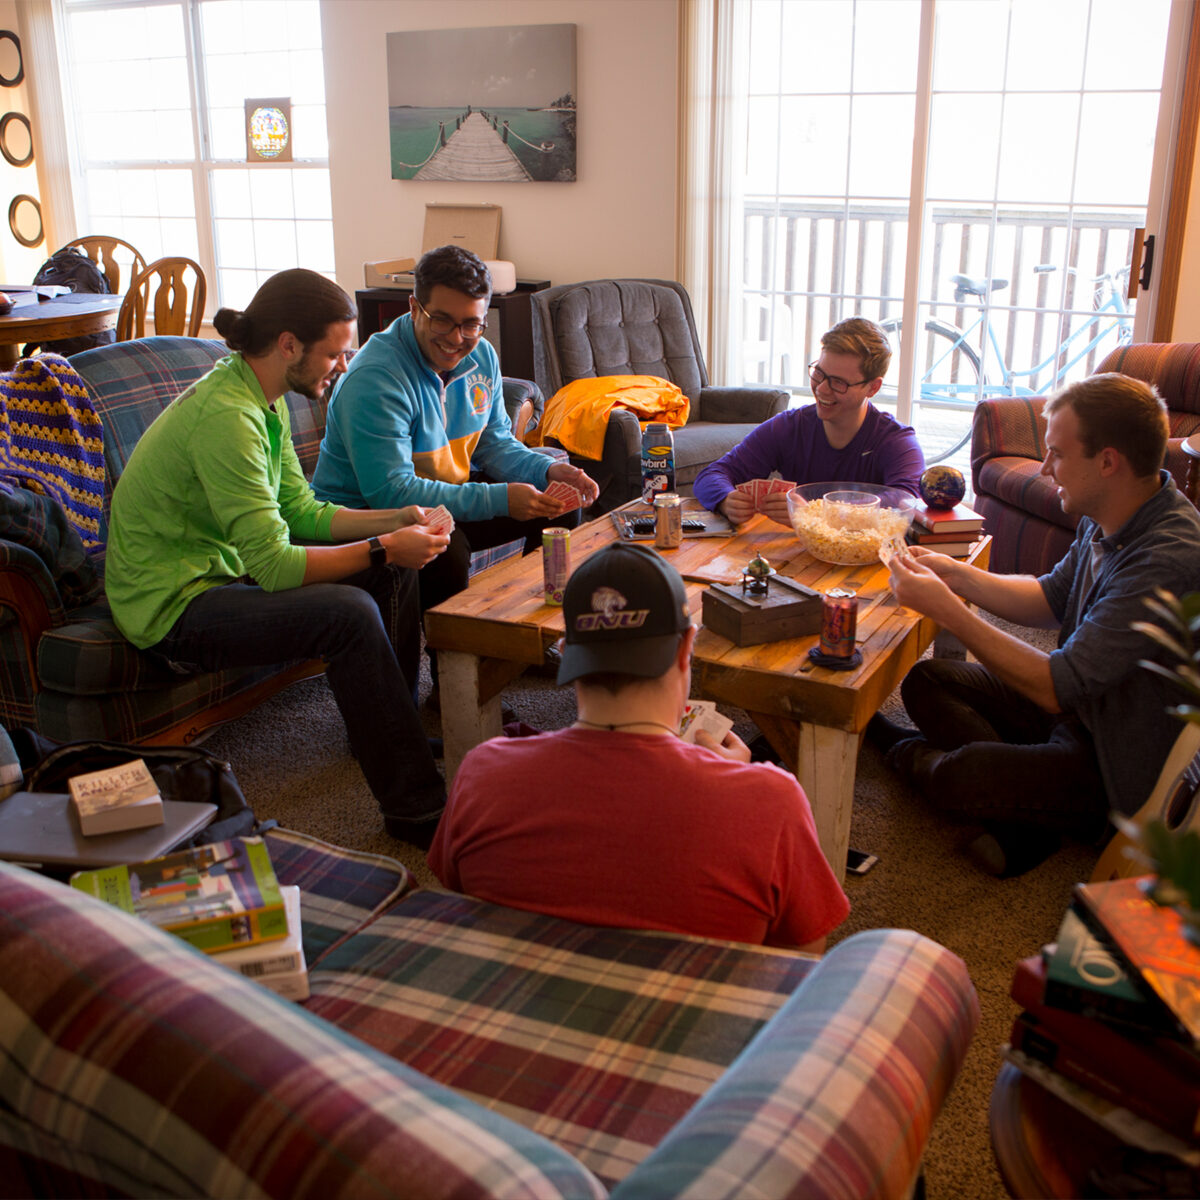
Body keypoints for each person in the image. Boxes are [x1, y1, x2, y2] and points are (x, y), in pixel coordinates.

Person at [105, 269, 450, 846]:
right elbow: (274, 565)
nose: (342, 366)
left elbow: (301, 510)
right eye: (335, 353)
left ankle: (392, 729)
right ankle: (417, 810)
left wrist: (396, 521)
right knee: (348, 613)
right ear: (288, 344)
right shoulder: (228, 419)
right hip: (171, 606)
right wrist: (384, 545)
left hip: (218, 576)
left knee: (392, 568)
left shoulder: (260, 398)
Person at [428, 543, 849, 950]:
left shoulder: (481, 773)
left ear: (566, 651)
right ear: (687, 646)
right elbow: (802, 957)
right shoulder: (770, 802)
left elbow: (454, 890)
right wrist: (738, 785)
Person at [875, 372, 1200, 876]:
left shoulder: (1167, 559)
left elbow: (1055, 686)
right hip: (1076, 714)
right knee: (930, 680)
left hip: (1112, 762)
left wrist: (948, 609)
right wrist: (956, 574)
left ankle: (906, 754)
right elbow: (1051, 597)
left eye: (1057, 454)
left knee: (961, 775)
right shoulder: (1112, 506)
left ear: (1108, 461)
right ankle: (1025, 816)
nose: (1045, 469)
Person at [312, 245, 599, 683]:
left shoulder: (480, 354)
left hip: (442, 500)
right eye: (442, 319)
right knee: (447, 550)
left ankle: (530, 641)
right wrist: (502, 498)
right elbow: (391, 492)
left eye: (471, 323)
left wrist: (545, 472)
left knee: (560, 508)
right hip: (367, 516)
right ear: (414, 306)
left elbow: (494, 444)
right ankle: (453, 687)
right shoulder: (376, 378)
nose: (456, 337)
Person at [693, 316, 924, 525]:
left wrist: (817, 512)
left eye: (839, 382)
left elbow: (906, 500)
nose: (822, 389)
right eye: (819, 374)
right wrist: (726, 499)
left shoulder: (896, 441)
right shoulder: (789, 426)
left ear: (872, 387)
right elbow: (711, 475)